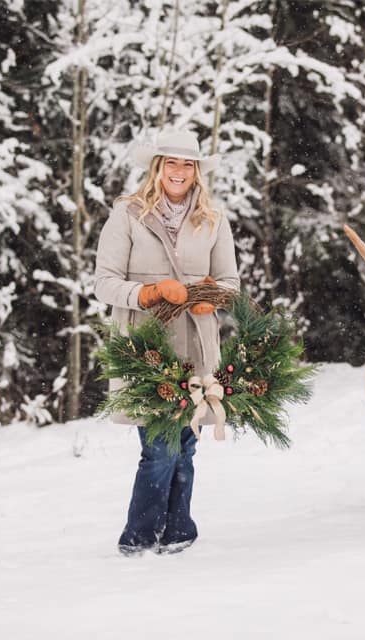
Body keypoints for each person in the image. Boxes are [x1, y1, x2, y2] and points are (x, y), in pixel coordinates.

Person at [94, 129, 240, 556]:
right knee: (158, 445)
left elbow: (230, 283)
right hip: (145, 346)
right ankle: (138, 537)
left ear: (196, 172)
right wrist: (148, 293)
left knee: (186, 443)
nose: (179, 171)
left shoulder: (214, 220)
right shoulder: (127, 215)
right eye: (171, 163)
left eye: (187, 164)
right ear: (157, 168)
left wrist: (206, 297)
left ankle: (179, 531)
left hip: (196, 344)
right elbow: (104, 283)